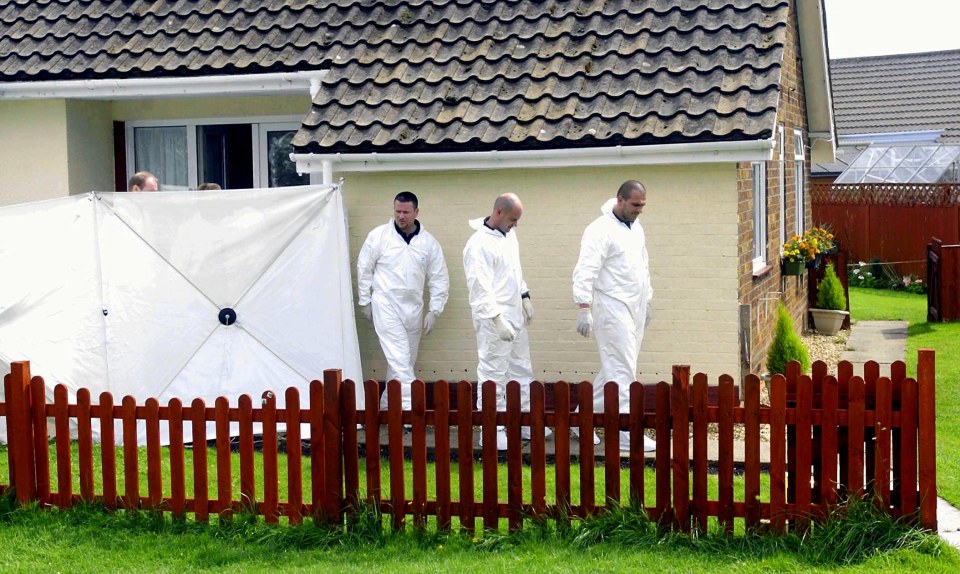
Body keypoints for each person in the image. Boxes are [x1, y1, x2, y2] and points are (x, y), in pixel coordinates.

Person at [572, 180, 656, 453]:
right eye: (635, 205)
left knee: (618, 366)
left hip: (635, 305)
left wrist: (649, 299)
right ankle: (623, 430)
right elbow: (585, 268)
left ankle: (579, 416)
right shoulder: (600, 230)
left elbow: (643, 264)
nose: (639, 210)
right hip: (611, 306)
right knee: (622, 368)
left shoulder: (636, 227)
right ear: (619, 200)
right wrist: (584, 306)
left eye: (642, 206)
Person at [356, 191, 449, 412]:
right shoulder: (379, 237)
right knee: (400, 359)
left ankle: (388, 408)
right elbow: (364, 269)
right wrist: (365, 302)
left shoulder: (428, 243)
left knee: (402, 361)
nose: (401, 216)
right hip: (385, 304)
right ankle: (410, 411)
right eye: (397, 211)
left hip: (413, 309)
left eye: (406, 212)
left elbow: (439, 277)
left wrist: (434, 311)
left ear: (416, 212)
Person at [462, 193, 541, 450]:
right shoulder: (478, 245)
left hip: (514, 312)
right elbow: (479, 287)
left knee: (521, 369)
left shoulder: (509, 235)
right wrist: (496, 319)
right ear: (498, 212)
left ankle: (524, 422)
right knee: (493, 373)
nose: (515, 224)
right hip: (492, 318)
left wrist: (525, 296)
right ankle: (492, 430)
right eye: (512, 219)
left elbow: (515, 270)